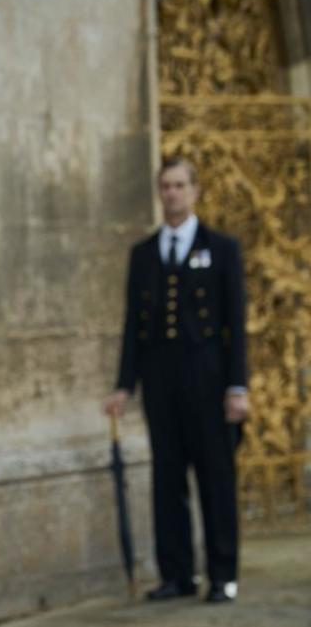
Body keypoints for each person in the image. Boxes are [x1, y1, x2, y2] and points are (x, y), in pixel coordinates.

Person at [103, 156, 248, 604]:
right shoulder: (143, 254)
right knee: (167, 481)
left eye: (180, 185)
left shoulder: (222, 248)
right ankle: (177, 574)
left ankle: (223, 574)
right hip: (160, 384)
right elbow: (133, 327)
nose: (172, 193)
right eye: (165, 186)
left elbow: (235, 325)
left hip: (208, 381)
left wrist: (237, 387)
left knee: (215, 480)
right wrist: (124, 385)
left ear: (195, 191)